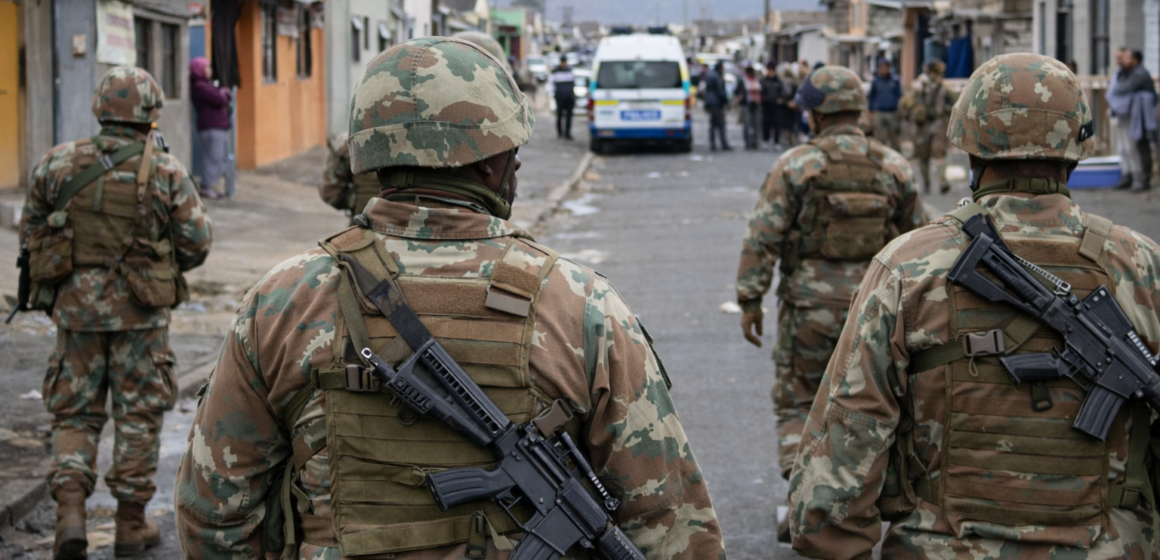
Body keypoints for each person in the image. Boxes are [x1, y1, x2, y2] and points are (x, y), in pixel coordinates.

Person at [175, 37, 726, 560]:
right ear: (488, 163)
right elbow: (671, 522)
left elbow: (214, 510)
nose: (516, 164)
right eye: (510, 149)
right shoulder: (580, 304)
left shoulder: (282, 300)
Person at [788, 53, 1160, 560]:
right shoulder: (1142, 265)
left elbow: (849, 432)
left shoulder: (908, 265)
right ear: (1078, 144)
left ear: (968, 142)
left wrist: (833, 542)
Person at [19, 66, 212, 560]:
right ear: (150, 113)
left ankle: (70, 516)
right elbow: (196, 242)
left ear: (100, 108)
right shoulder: (166, 170)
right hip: (141, 316)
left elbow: (32, 233)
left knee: (74, 413)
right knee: (138, 415)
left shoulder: (57, 163)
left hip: (75, 312)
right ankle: (129, 526)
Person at [735, 65, 926, 544]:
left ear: (815, 114)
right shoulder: (894, 165)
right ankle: (867, 505)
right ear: (858, 110)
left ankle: (804, 504)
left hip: (810, 309)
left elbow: (763, 235)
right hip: (877, 312)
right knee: (875, 406)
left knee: (799, 401)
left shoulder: (797, 165)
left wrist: (750, 299)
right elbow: (921, 243)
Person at [901, 59, 957, 194]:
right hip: (923, 124)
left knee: (939, 153)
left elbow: (954, 104)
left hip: (938, 123)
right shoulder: (918, 86)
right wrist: (917, 110)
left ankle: (942, 182)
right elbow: (906, 103)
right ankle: (927, 183)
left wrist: (944, 110)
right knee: (924, 155)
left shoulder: (944, 87)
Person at [1107, 48, 1156, 191]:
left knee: (1138, 146)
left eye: (1127, 57)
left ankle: (1142, 179)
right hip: (1133, 114)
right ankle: (1133, 177)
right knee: (1130, 147)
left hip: (1141, 116)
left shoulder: (1139, 74)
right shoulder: (1125, 73)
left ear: (1136, 60)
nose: (1123, 60)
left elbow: (1120, 89)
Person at [189, 56, 231, 200]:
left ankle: (210, 186)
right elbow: (219, 99)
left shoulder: (205, 84)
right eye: (206, 67)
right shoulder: (200, 86)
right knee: (213, 157)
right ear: (199, 70)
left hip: (214, 126)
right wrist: (225, 93)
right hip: (211, 127)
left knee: (216, 157)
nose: (209, 70)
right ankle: (206, 187)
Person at [319, 131, 381, 223]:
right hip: (403, 222)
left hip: (364, 222)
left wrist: (355, 199)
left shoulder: (348, 140)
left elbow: (329, 192)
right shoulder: (405, 136)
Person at [867, 58, 902, 151]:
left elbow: (899, 95)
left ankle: (896, 154)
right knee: (879, 136)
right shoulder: (875, 81)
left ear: (889, 68)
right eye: (881, 68)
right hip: (879, 112)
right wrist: (870, 111)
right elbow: (871, 97)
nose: (883, 70)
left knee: (894, 136)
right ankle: (879, 154)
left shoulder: (895, 80)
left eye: (885, 68)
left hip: (892, 112)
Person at [703, 60, 733, 151]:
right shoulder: (717, 77)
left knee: (713, 124)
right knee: (721, 124)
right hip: (717, 103)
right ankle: (723, 144)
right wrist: (726, 101)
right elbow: (721, 92)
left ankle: (713, 143)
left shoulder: (711, 76)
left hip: (711, 103)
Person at [549, 57, 576, 139]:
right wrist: (553, 94)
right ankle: (560, 133)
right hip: (560, 97)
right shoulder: (555, 72)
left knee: (569, 116)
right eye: (563, 62)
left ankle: (567, 133)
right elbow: (550, 84)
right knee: (559, 116)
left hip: (569, 97)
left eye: (565, 62)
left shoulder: (570, 71)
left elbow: (572, 85)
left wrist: (573, 96)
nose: (564, 64)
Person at [776, 63, 801, 149]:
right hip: (790, 105)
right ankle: (790, 139)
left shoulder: (783, 82)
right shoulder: (793, 82)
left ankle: (787, 139)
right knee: (791, 123)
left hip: (786, 105)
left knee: (787, 124)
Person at [760, 61, 783, 149]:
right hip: (766, 104)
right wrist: (763, 97)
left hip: (776, 105)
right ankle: (765, 140)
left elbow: (783, 91)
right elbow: (761, 90)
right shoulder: (764, 80)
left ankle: (776, 141)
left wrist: (780, 98)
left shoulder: (778, 80)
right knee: (766, 123)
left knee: (777, 123)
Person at [741, 65, 763, 150]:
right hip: (746, 104)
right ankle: (748, 142)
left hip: (756, 103)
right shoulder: (743, 79)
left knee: (756, 124)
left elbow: (761, 89)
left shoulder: (757, 79)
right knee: (747, 124)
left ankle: (755, 142)